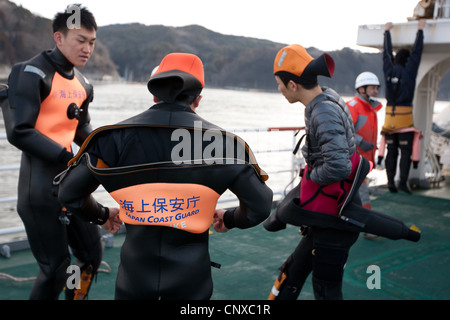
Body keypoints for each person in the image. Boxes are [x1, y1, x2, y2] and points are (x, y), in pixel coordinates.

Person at [56, 52, 273, 299]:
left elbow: (69, 193)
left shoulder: (111, 139)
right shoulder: (225, 145)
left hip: (133, 277)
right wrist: (231, 218)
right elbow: (260, 206)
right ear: (198, 99)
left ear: (154, 94)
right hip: (192, 279)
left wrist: (102, 215)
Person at [3, 5, 111, 300]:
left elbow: (81, 130)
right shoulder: (30, 72)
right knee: (55, 268)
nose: (87, 48)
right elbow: (20, 131)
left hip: (72, 186)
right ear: (59, 38)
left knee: (90, 256)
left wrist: (113, 149)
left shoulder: (84, 85)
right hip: (39, 191)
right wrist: (71, 160)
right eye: (80, 40)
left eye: (92, 42)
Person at [264, 44, 361, 300]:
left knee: (326, 291)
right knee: (291, 274)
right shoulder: (327, 98)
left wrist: (310, 178)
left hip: (335, 218)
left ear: (293, 85)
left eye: (279, 83)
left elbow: (339, 166)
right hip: (328, 211)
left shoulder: (323, 110)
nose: (279, 89)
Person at [378, 20, 426, 194]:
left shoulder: (388, 70)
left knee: (392, 151)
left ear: (395, 59)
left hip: (390, 119)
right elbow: (417, 53)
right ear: (407, 61)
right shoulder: (410, 71)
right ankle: (402, 183)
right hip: (405, 119)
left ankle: (391, 182)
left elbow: (386, 53)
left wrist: (387, 32)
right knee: (405, 152)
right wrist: (420, 31)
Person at [346, 72, 383, 210]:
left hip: (364, 159)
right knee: (361, 192)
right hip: (354, 159)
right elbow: (344, 131)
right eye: (372, 88)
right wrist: (361, 142)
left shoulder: (370, 109)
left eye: (377, 88)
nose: (376, 91)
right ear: (362, 89)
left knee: (353, 192)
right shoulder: (353, 107)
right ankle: (365, 224)